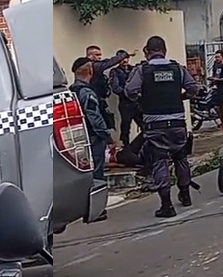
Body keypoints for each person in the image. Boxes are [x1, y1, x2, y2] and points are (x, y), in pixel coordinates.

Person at [125, 36, 199, 218]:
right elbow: (193, 89)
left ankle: (167, 205)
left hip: (155, 125)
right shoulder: (177, 69)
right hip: (177, 123)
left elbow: (130, 91)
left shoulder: (142, 70)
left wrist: (143, 99)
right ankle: (186, 195)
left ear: (147, 52)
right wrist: (180, 97)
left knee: (159, 161)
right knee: (180, 158)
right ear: (165, 50)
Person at [69, 57, 113, 183]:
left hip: (78, 137)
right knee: (96, 172)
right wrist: (107, 136)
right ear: (90, 71)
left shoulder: (71, 91)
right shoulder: (87, 93)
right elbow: (94, 117)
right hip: (93, 137)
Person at [85, 45, 136, 131]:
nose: (99, 57)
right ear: (89, 56)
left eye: (100, 55)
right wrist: (125, 54)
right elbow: (109, 63)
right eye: (97, 55)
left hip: (100, 99)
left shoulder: (132, 69)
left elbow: (107, 62)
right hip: (94, 100)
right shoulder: (91, 65)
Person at [109, 50, 142, 148]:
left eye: (126, 58)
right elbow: (115, 88)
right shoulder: (115, 72)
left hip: (137, 102)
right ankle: (126, 148)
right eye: (122, 58)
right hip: (125, 103)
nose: (125, 60)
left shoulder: (134, 69)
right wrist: (128, 93)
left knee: (145, 126)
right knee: (125, 128)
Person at [210, 50, 223, 128]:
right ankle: (222, 122)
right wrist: (212, 81)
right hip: (216, 89)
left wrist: (217, 79)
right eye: (216, 57)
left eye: (218, 57)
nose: (216, 59)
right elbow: (214, 75)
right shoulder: (215, 66)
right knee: (217, 107)